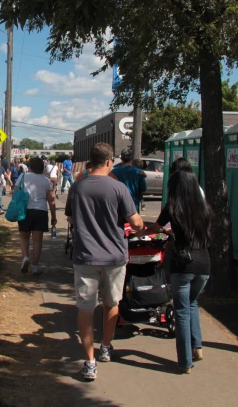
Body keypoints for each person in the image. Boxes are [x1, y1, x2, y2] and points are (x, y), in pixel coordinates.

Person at [65, 143, 145, 381]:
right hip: (114, 256)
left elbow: (70, 218)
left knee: (85, 307)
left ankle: (89, 362)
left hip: (85, 256)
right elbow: (136, 222)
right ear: (110, 161)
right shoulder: (119, 188)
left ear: (91, 160)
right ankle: (106, 347)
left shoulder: (77, 188)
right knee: (111, 303)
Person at [146, 169, 211, 374]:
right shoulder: (204, 208)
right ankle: (197, 346)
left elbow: (154, 228)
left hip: (182, 265)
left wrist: (141, 230)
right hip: (204, 264)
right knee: (192, 304)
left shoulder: (173, 207)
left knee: (181, 310)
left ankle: (185, 362)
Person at [14, 156, 56, 276]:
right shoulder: (46, 181)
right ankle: (35, 266)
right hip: (41, 211)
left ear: (30, 166)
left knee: (23, 236)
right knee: (38, 240)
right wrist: (53, 216)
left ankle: (25, 257)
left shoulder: (23, 176)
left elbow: (15, 192)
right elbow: (51, 200)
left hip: (25, 210)